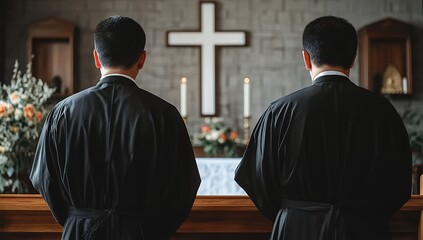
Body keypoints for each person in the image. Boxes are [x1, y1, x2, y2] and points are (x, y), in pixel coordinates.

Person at [235, 16, 411, 240]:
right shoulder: (382, 111)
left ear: (306, 58)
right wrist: (366, 215)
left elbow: (257, 180)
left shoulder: (279, 111)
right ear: (353, 59)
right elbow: (400, 181)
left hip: (296, 229)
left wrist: (294, 212)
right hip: (365, 228)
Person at [30, 16, 201, 240]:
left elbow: (44, 179)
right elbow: (184, 187)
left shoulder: (62, 112)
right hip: (142, 233)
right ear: (142, 59)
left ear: (96, 58)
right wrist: (150, 229)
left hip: (80, 231)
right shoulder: (165, 115)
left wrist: (77, 218)